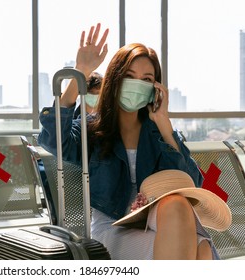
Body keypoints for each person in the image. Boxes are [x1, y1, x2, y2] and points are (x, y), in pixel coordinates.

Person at [37, 23, 231, 259]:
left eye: (146, 79)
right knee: (201, 250)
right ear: (115, 80)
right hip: (113, 225)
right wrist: (81, 72)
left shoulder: (159, 133)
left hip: (156, 220)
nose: (137, 84)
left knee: (178, 205)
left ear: (154, 88)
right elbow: (51, 139)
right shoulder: (92, 129)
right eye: (129, 76)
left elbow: (192, 184)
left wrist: (164, 123)